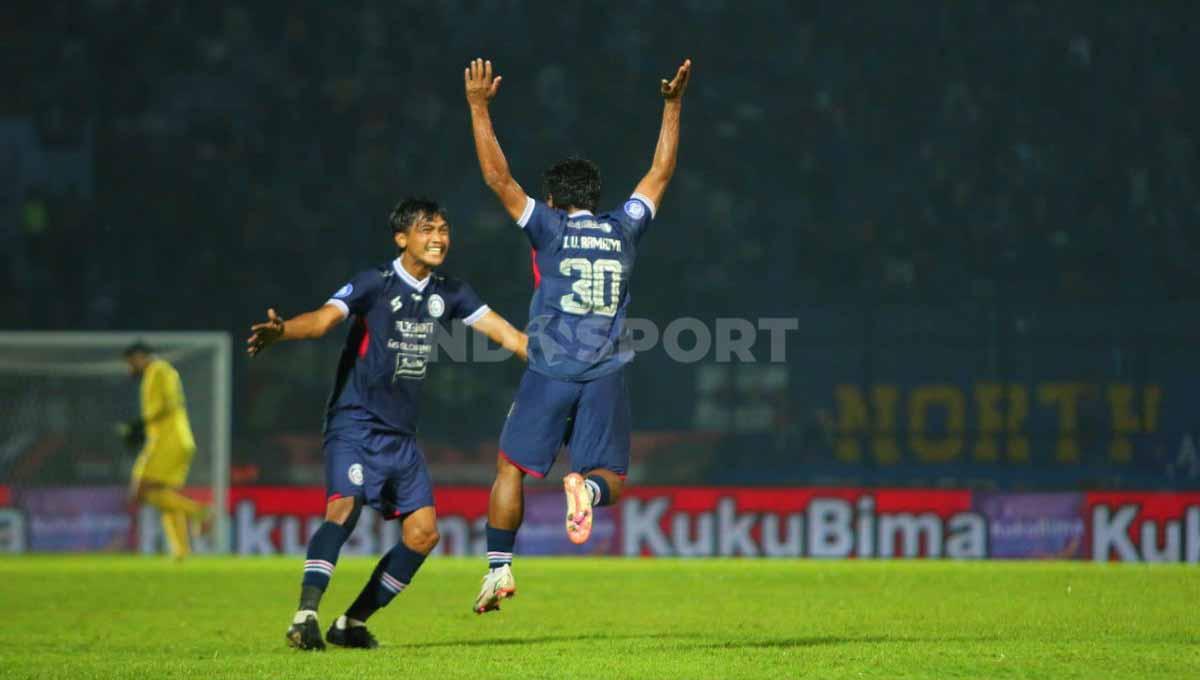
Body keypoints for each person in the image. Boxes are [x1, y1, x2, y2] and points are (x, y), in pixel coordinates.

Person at [464, 57, 691, 613]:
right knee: (611, 476)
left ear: (555, 199)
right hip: (606, 371)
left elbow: (497, 178)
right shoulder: (624, 226)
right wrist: (671, 105)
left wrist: (478, 107)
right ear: (595, 194)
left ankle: (499, 570)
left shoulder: (548, 225)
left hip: (549, 367)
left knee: (510, 468)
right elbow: (659, 175)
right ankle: (584, 490)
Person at [247, 197, 526, 650]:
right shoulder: (372, 284)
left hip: (400, 436)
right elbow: (320, 322)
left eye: (443, 230)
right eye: (427, 230)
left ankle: (349, 624)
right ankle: (304, 616)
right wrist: (284, 331)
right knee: (344, 508)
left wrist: (557, 365)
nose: (438, 238)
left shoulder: (451, 292)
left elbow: (507, 335)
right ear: (402, 238)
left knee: (423, 534)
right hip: (354, 424)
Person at [121, 341, 209, 560]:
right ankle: (181, 551)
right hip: (172, 440)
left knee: (139, 492)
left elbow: (170, 402)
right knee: (162, 496)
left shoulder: (160, 370)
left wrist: (142, 423)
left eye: (130, 362)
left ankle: (199, 511)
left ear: (139, 357)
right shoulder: (155, 372)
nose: (129, 368)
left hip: (168, 441)